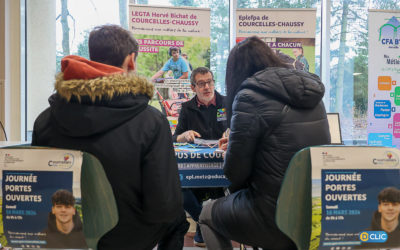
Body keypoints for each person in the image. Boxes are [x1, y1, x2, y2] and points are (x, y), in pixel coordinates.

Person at [32, 24, 189, 250]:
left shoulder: (45, 120)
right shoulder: (151, 122)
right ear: (131, 61)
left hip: (65, 235)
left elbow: (39, 194)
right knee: (176, 219)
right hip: (129, 239)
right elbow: (164, 206)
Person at [199, 36, 330, 249]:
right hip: (315, 212)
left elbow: (235, 174)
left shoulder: (249, 96)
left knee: (206, 213)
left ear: (236, 72)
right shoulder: (314, 96)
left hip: (273, 216)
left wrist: (230, 152)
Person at [173, 67, 227, 247]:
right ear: (193, 87)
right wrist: (185, 135)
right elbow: (175, 138)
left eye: (210, 82)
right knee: (177, 189)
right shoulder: (187, 108)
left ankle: (203, 228)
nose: (207, 87)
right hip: (196, 168)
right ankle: (206, 224)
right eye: (201, 83)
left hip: (223, 167)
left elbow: (242, 133)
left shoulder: (227, 103)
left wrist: (232, 135)